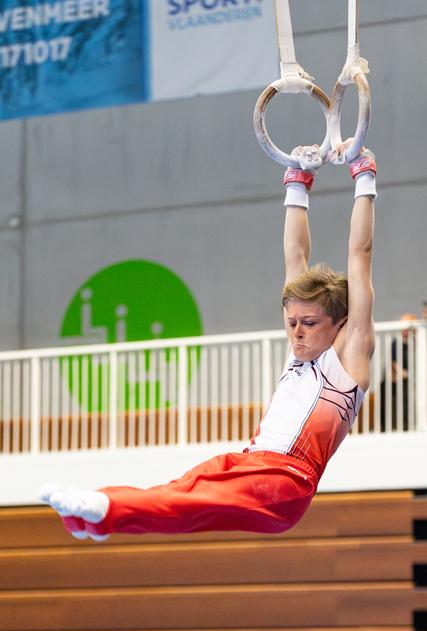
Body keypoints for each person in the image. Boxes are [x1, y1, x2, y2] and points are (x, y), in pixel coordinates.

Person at [39, 139, 377, 541]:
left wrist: (364, 175)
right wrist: (298, 182)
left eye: (309, 323)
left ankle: (106, 508)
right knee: (182, 491)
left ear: (340, 323)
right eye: (291, 323)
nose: (296, 333)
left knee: (190, 502)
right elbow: (294, 253)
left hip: (286, 482)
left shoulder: (349, 354)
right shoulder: (299, 352)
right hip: (249, 461)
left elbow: (361, 253)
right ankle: (96, 521)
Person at [380, 312, 417, 431]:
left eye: (406, 328)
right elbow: (394, 363)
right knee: (385, 390)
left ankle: (407, 425)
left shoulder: (417, 343)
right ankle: (386, 426)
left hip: (410, 380)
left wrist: (408, 375)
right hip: (397, 379)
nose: (404, 331)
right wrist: (401, 374)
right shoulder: (397, 343)